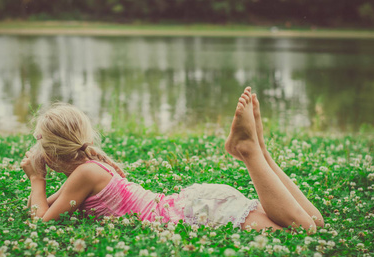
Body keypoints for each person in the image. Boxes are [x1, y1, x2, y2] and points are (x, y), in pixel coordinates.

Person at [21, 87, 324, 233]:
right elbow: (48, 206)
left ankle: (250, 150)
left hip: (197, 213)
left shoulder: (85, 174)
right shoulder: (87, 173)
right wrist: (43, 185)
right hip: (199, 204)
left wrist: (37, 178)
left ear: (53, 154)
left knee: (303, 230)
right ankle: (260, 150)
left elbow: (41, 220)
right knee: (315, 223)